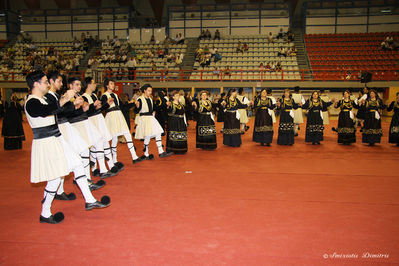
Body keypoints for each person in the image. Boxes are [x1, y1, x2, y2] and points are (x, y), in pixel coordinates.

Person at [25, 71, 109, 224]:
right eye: (45, 82)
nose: (47, 84)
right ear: (35, 84)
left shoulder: (42, 99)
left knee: (76, 164)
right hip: (46, 142)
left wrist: (73, 104)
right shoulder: (31, 102)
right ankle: (45, 211)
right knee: (55, 178)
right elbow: (46, 112)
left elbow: (60, 111)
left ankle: (89, 199)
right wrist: (64, 99)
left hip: (56, 138)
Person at [45, 72, 110, 206]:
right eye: (59, 81)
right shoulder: (52, 97)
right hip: (62, 128)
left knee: (75, 158)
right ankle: (54, 196)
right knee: (67, 162)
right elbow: (58, 112)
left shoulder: (57, 96)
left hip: (66, 126)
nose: (60, 84)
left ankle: (77, 188)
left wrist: (81, 106)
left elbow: (68, 111)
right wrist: (75, 105)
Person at [81, 77, 120, 176]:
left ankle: (107, 166)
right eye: (93, 83)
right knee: (97, 144)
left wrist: (107, 104)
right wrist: (94, 106)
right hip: (91, 120)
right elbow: (86, 111)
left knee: (104, 142)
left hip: (99, 119)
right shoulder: (83, 97)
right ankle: (101, 169)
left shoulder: (94, 95)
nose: (95, 85)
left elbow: (99, 108)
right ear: (88, 84)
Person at [101, 78, 142, 165]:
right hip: (111, 116)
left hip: (119, 115)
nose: (113, 85)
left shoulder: (115, 95)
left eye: (113, 83)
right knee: (114, 137)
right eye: (111, 83)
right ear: (107, 85)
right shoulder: (104, 95)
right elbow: (101, 108)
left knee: (127, 133)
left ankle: (134, 156)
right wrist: (107, 103)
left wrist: (133, 103)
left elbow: (123, 107)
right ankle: (114, 159)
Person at [134, 84, 171, 159]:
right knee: (147, 136)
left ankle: (160, 152)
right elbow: (136, 111)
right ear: (144, 91)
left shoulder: (150, 99)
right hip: (144, 118)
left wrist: (164, 105)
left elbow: (156, 108)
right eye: (149, 91)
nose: (150, 92)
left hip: (151, 118)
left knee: (158, 133)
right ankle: (146, 153)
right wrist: (137, 107)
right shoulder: (140, 99)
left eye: (151, 91)